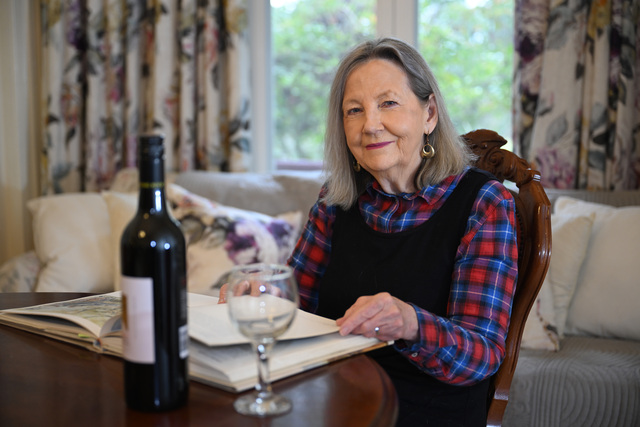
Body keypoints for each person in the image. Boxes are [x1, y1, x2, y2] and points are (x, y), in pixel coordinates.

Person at [222, 37, 518, 425]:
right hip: (330, 399)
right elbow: (298, 298)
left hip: (424, 412)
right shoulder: (336, 199)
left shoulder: (484, 203)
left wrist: (411, 323)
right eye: (354, 110)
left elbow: (480, 355)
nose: (370, 125)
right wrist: (264, 295)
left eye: (388, 103)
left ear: (429, 114)